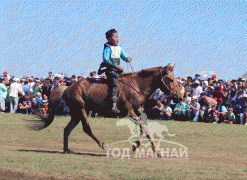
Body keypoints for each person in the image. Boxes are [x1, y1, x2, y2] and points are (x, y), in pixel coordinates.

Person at [98, 29, 132, 113]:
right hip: (111, 70)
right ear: (109, 39)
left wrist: (127, 58)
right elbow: (106, 59)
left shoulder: (119, 48)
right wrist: (116, 67)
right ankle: (113, 104)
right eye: (115, 37)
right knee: (115, 84)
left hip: (118, 70)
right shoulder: (108, 48)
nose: (118, 39)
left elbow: (123, 55)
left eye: (118, 37)